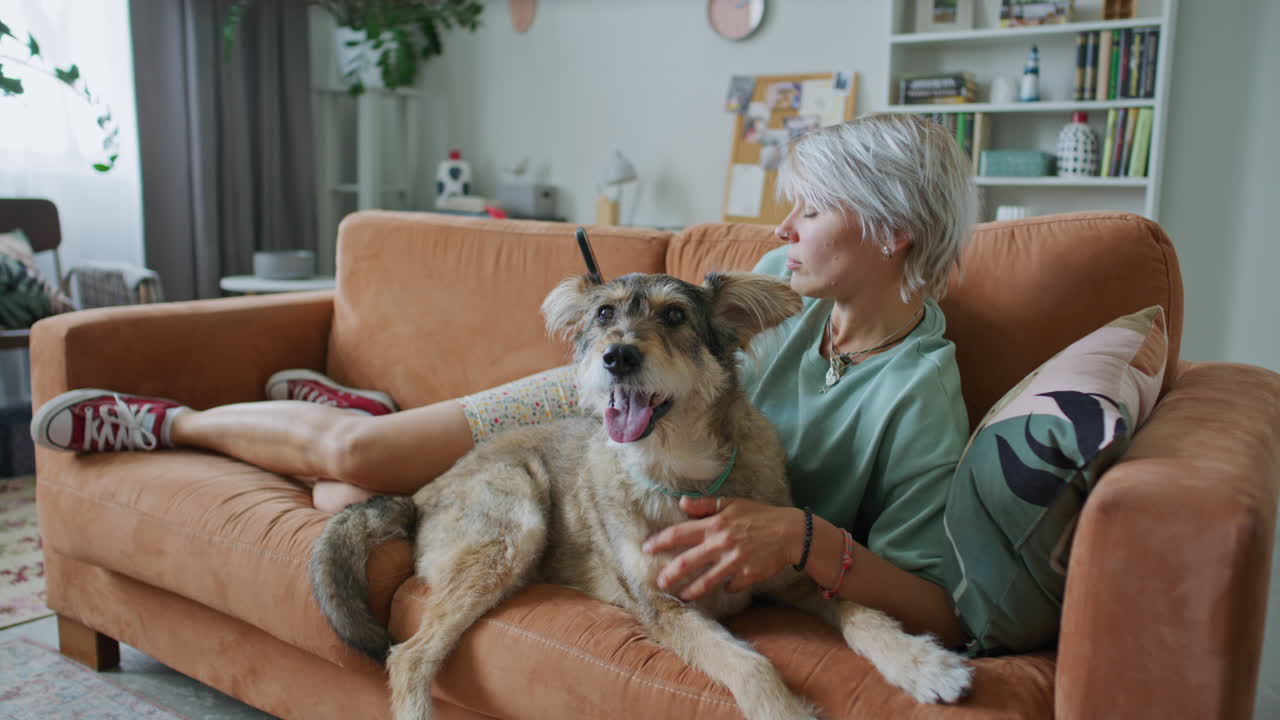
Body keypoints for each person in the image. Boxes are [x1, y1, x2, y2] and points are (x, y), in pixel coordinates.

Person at [31, 113, 977, 649]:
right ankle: (169, 422)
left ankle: (363, 413)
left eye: (811, 210)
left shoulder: (918, 388)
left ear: (893, 230)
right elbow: (640, 312)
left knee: (360, 489)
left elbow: (942, 604)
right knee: (361, 454)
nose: (782, 229)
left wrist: (806, 540)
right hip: (604, 405)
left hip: (645, 433)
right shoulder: (798, 300)